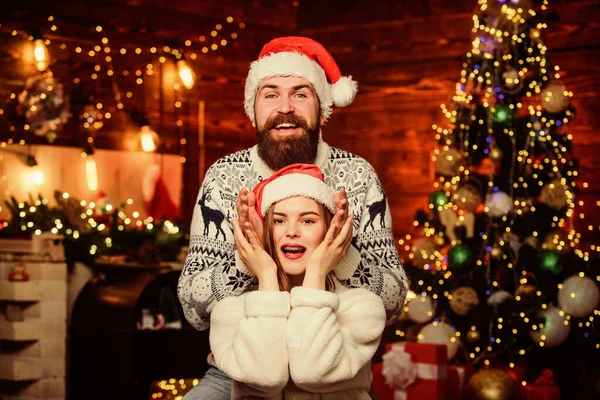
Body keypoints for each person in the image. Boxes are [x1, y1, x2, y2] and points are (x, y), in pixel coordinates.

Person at [178, 36, 408, 398]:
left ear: (322, 105)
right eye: (270, 94)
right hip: (238, 375)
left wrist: (340, 251)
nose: (285, 107)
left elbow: (393, 303)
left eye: (301, 93)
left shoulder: (357, 176)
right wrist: (251, 254)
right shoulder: (225, 177)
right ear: (253, 107)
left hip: (335, 374)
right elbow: (193, 309)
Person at [210, 164, 386, 399]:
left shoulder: (363, 307)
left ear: (330, 231)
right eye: (279, 221)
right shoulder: (230, 311)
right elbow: (265, 378)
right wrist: (266, 275)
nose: (291, 231)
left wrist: (316, 271)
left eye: (308, 221)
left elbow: (312, 373)